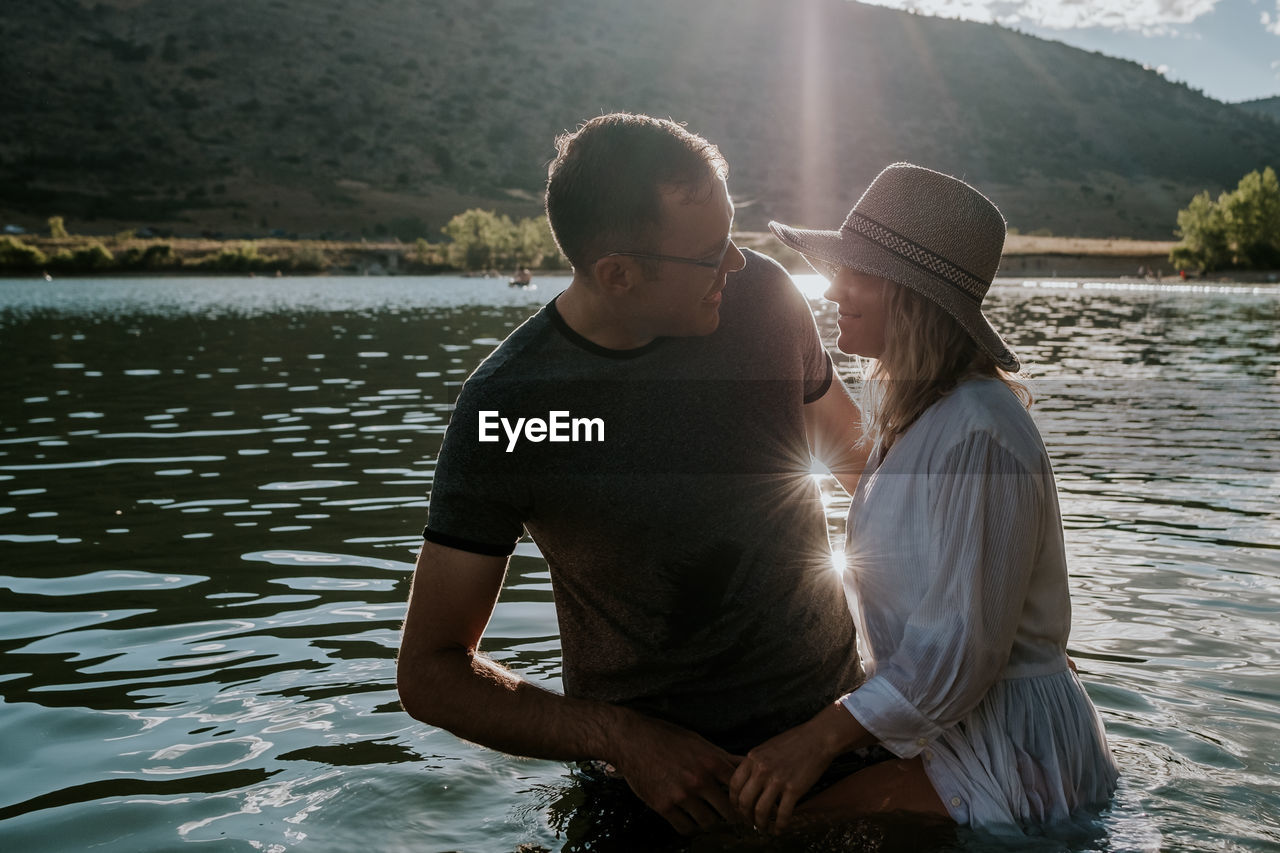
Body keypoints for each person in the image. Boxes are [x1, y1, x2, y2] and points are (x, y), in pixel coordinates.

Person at [396, 113, 872, 838]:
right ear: (617, 274)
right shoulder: (512, 408)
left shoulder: (769, 303)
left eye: (732, 238)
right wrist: (622, 740)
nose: (737, 266)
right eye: (711, 254)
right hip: (655, 795)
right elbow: (430, 670)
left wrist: (987, 624)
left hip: (835, 745)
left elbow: (864, 467)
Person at [729, 163, 1120, 835]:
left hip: (1009, 755)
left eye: (860, 274)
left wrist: (816, 738)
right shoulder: (919, 419)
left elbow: (959, 653)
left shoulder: (980, 428)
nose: (832, 290)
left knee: (756, 832)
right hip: (957, 731)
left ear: (914, 297)